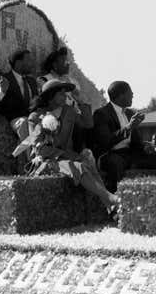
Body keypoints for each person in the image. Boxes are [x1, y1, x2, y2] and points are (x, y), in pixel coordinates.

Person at [26, 80, 119, 208]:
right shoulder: (35, 117)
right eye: (61, 94)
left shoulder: (69, 111)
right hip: (46, 160)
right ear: (50, 97)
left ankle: (111, 206)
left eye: (65, 93)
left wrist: (81, 101)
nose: (65, 96)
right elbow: (39, 149)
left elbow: (88, 124)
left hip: (68, 157)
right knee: (77, 166)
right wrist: (69, 155)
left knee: (88, 156)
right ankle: (110, 199)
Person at [93, 81, 156, 192]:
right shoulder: (102, 114)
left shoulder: (130, 113)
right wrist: (129, 127)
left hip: (132, 155)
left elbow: (136, 143)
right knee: (114, 164)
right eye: (130, 92)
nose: (133, 95)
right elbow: (105, 141)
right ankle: (114, 203)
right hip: (112, 154)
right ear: (120, 95)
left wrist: (145, 146)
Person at [0, 49, 38, 140]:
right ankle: (33, 153)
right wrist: (2, 91)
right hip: (17, 120)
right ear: (19, 63)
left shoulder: (32, 81)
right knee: (25, 123)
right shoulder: (2, 79)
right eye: (29, 60)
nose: (32, 63)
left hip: (34, 117)